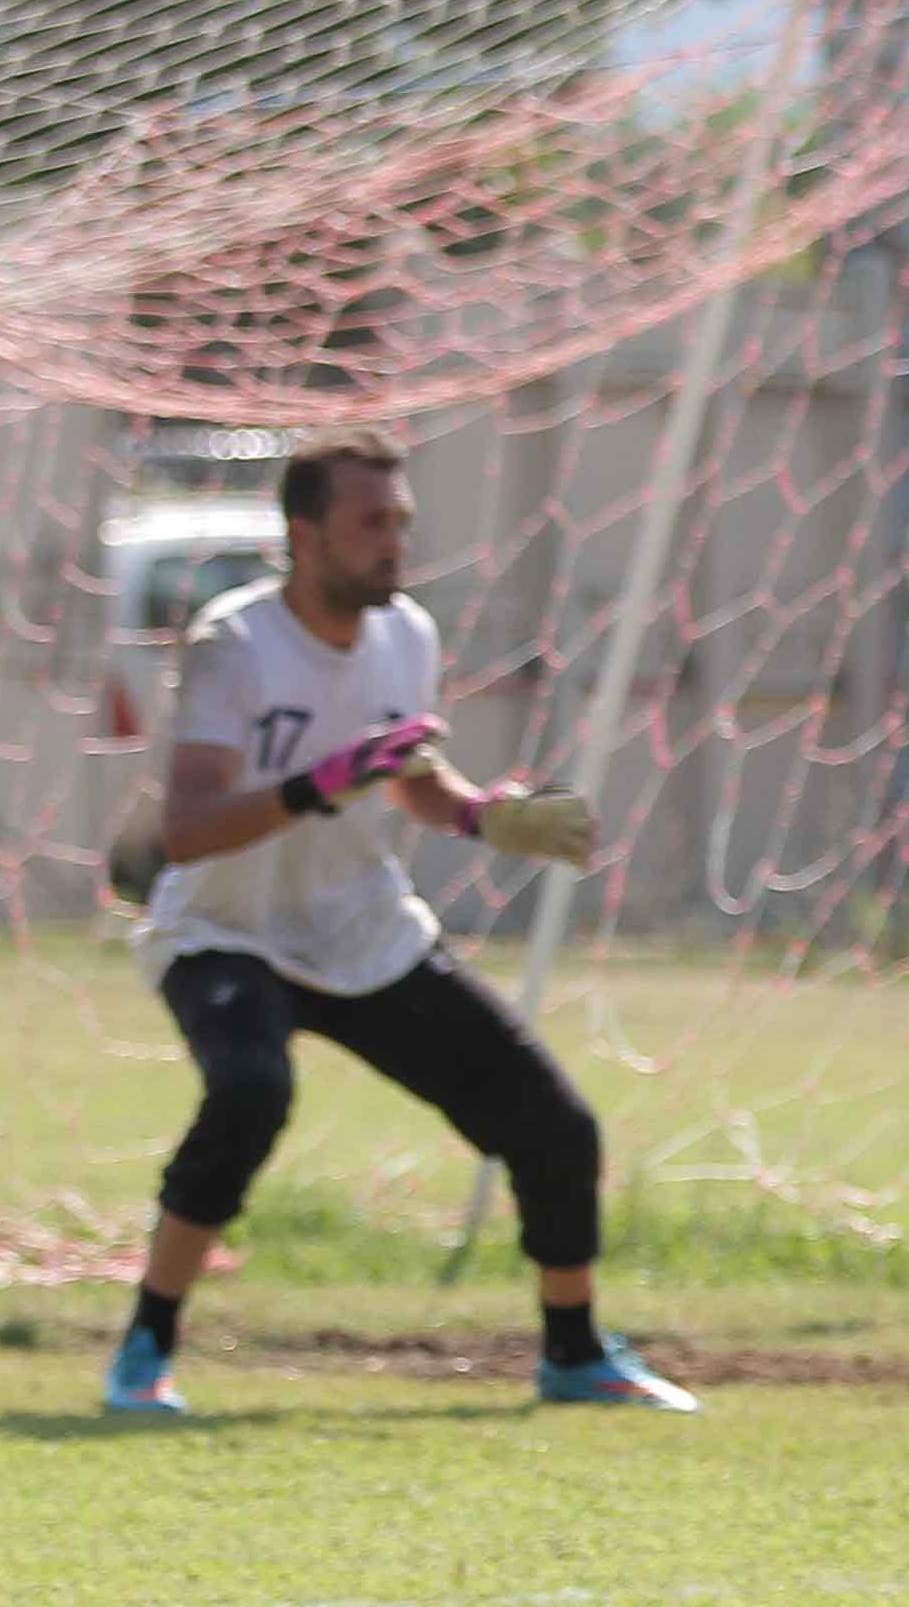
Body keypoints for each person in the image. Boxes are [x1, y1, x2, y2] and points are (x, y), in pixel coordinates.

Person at [106, 430, 670, 1414]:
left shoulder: (406, 633)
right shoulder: (234, 644)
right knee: (249, 1092)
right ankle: (146, 1348)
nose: (394, 543)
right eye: (371, 523)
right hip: (227, 933)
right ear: (305, 534)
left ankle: (576, 1354)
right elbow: (188, 832)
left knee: (555, 1126)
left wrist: (483, 816)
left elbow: (404, 773)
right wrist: (319, 784)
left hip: (362, 932)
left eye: (401, 523)